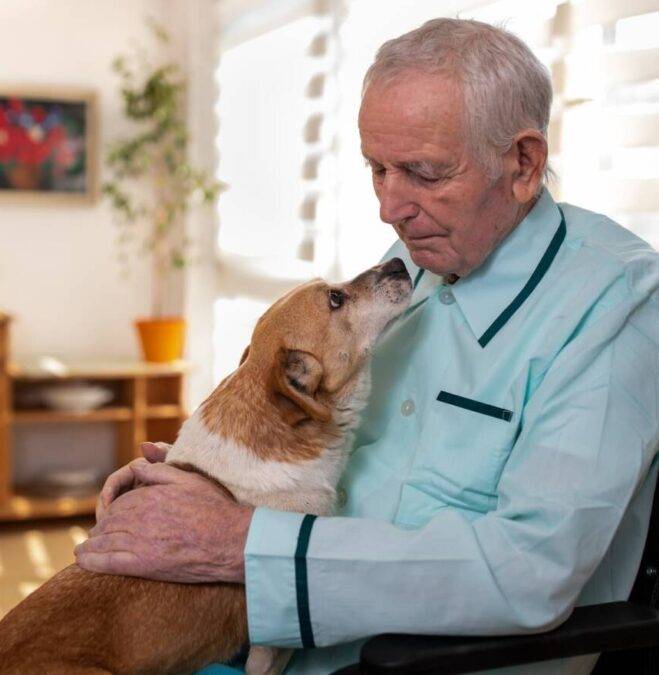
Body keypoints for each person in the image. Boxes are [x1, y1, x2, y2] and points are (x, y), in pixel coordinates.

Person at [75, 18, 659, 675]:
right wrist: (204, 477)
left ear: (522, 163)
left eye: (423, 172)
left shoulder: (617, 299)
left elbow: (528, 570)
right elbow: (343, 450)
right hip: (281, 635)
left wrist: (234, 541)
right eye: (376, 169)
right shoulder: (422, 251)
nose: (389, 206)